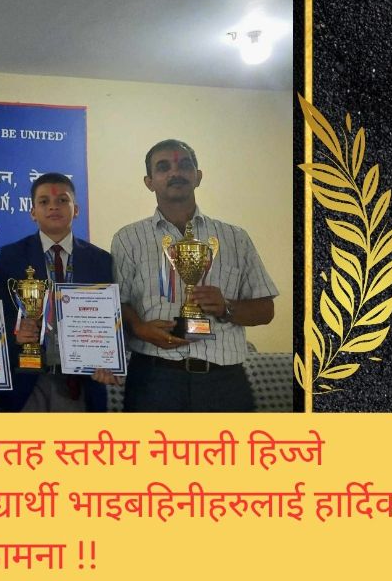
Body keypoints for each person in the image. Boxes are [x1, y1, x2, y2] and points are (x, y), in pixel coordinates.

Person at [111, 139, 278, 412]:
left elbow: (265, 310)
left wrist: (226, 308)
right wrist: (139, 327)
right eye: (163, 167)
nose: (175, 172)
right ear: (149, 182)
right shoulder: (127, 239)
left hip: (224, 382)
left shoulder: (235, 238)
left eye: (184, 165)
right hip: (154, 379)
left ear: (198, 176)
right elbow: (117, 302)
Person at [0, 172, 114, 412]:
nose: (53, 207)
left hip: (81, 382)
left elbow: (110, 319)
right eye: (44, 201)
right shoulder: (12, 256)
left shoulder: (100, 260)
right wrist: (16, 332)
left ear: (76, 210)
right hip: (27, 381)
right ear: (32, 212)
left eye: (62, 200)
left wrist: (108, 357)